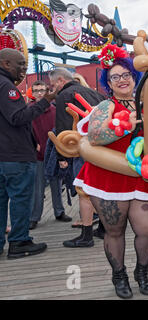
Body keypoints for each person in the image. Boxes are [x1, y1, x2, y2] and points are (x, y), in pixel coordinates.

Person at [73, 45, 148, 299]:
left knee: (147, 230)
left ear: (134, 77)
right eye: (115, 77)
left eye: (126, 75)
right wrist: (121, 127)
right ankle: (119, 275)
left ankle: (142, 272)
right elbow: (95, 136)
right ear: (108, 82)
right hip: (107, 178)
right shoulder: (105, 106)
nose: (121, 80)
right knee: (114, 231)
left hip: (140, 176)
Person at [0, 48, 56, 258]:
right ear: (6, 64)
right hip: (15, 156)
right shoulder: (6, 87)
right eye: (21, 64)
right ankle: (19, 241)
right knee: (21, 199)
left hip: (3, 155)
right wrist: (45, 102)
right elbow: (17, 117)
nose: (24, 69)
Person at [49, 68, 105, 248]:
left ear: (60, 81)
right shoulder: (94, 93)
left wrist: (62, 155)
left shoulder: (64, 96)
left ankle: (86, 235)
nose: (53, 89)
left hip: (82, 149)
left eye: (53, 85)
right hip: (102, 149)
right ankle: (104, 228)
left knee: (83, 191)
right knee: (99, 190)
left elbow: (63, 129)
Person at [28, 80, 71, 230]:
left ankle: (59, 211)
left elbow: (61, 130)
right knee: (37, 188)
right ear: (32, 93)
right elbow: (25, 132)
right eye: (36, 90)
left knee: (56, 184)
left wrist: (62, 153)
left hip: (53, 153)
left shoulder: (54, 110)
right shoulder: (29, 110)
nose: (39, 93)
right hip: (37, 155)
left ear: (47, 92)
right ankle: (34, 216)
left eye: (42, 90)